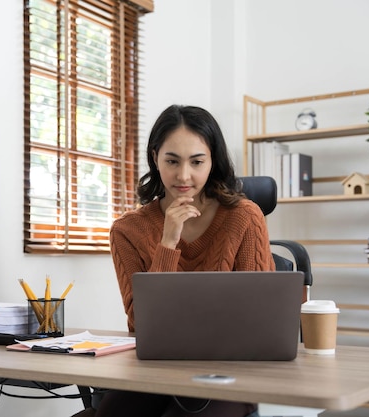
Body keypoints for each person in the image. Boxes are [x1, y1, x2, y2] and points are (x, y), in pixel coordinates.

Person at [91, 105, 274, 417]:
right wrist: (168, 242)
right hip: (155, 372)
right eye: (172, 161)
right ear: (155, 158)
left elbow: (260, 322)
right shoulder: (127, 230)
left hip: (230, 374)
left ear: (213, 160)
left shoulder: (245, 217)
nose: (184, 175)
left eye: (197, 161)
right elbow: (140, 324)